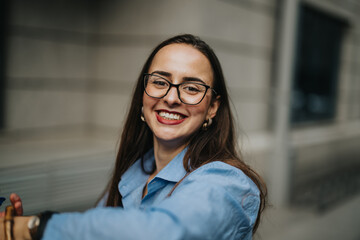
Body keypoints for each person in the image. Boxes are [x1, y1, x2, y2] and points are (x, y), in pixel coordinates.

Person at [0, 34, 267, 240]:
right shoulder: (134, 170)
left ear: (212, 107)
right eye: (160, 82)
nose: (171, 98)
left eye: (191, 88)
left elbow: (160, 233)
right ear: (143, 94)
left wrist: (35, 227)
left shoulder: (226, 183)